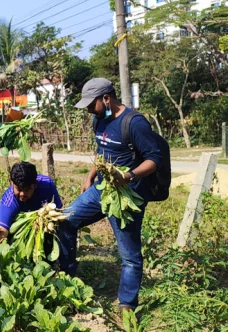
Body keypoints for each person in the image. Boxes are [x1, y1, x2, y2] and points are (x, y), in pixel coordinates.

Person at [57, 78, 163, 313]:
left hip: (126, 194)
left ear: (106, 98)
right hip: (101, 189)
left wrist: (129, 176)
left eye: (90, 104)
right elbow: (102, 150)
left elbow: (154, 159)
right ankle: (66, 280)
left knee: (130, 256)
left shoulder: (134, 123)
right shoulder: (99, 119)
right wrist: (90, 175)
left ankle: (127, 305)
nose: (87, 110)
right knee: (64, 221)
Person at [0, 162, 63, 244]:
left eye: (27, 189)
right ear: (12, 183)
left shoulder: (47, 185)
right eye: (18, 189)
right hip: (19, 239)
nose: (22, 194)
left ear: (35, 185)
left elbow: (59, 211)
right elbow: (0, 233)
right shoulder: (8, 201)